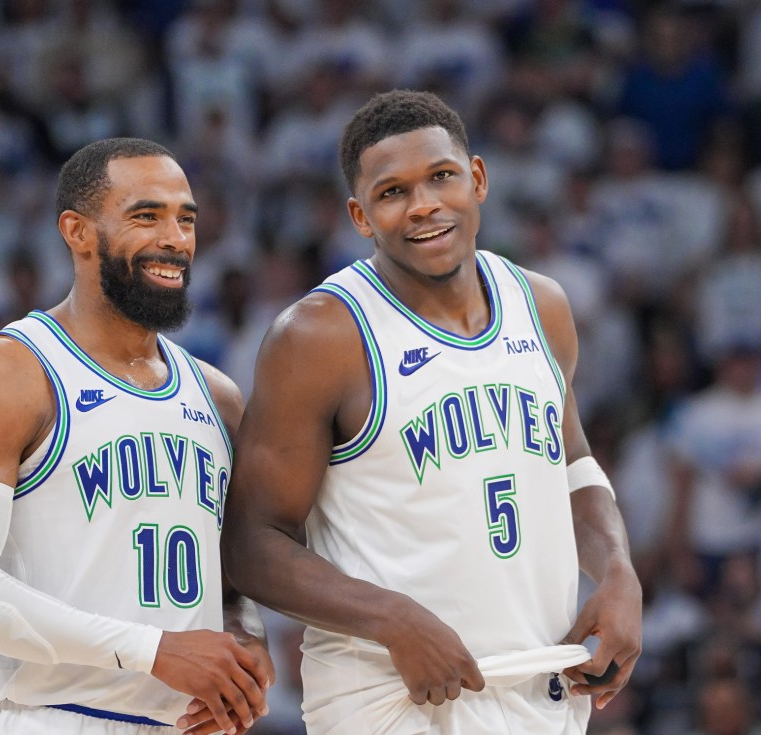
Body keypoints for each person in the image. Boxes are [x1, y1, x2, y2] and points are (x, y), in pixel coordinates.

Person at [220, 90, 642, 734]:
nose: (423, 205)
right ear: (361, 216)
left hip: (538, 680)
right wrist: (390, 617)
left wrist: (616, 570)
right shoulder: (319, 337)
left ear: (476, 179)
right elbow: (250, 541)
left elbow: (574, 464)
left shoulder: (542, 305)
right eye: (392, 192)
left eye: (441, 177)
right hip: (391, 693)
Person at [0, 137, 273, 735]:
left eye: (186, 219)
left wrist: (244, 645)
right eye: (146, 216)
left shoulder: (217, 396)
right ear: (76, 231)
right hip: (57, 717)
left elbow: (233, 579)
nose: (175, 238)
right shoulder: (5, 371)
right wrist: (153, 650)